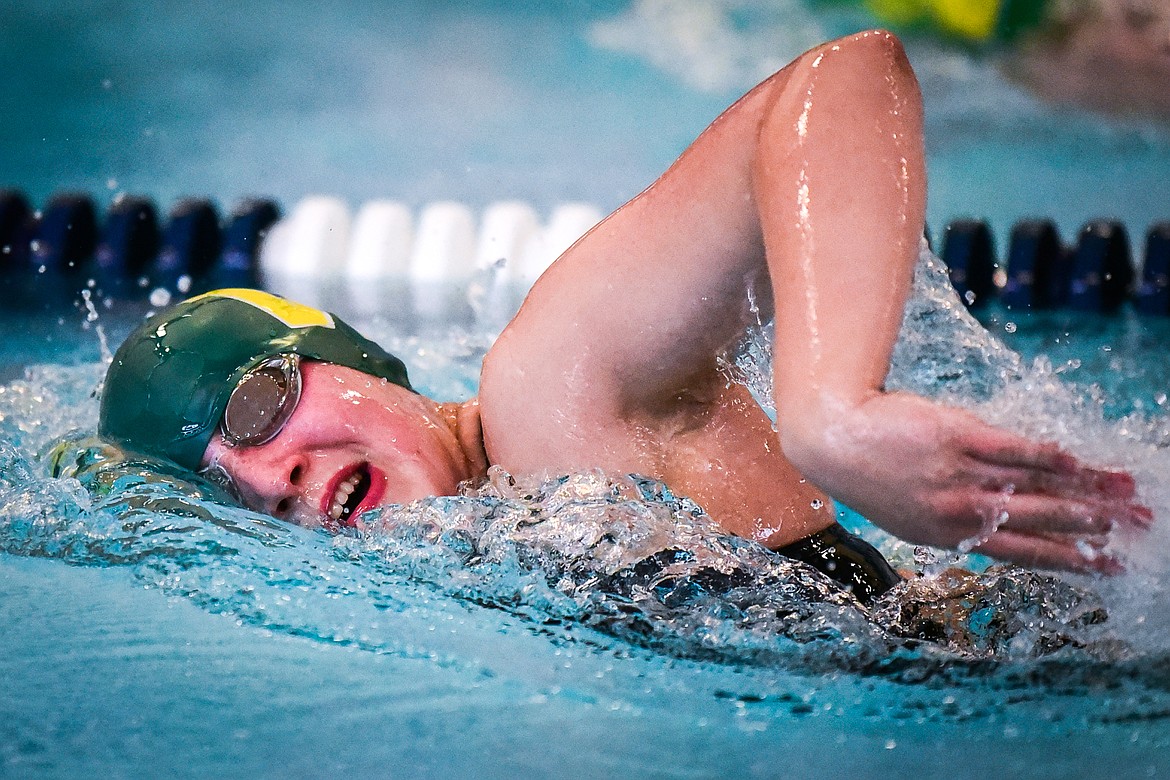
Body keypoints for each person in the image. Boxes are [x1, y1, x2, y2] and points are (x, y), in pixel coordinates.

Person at [98, 30, 1150, 606]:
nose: (267, 477)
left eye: (253, 406)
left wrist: (838, 413)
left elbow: (843, 77)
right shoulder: (496, 524)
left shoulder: (548, 388)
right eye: (227, 496)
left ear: (352, 360)